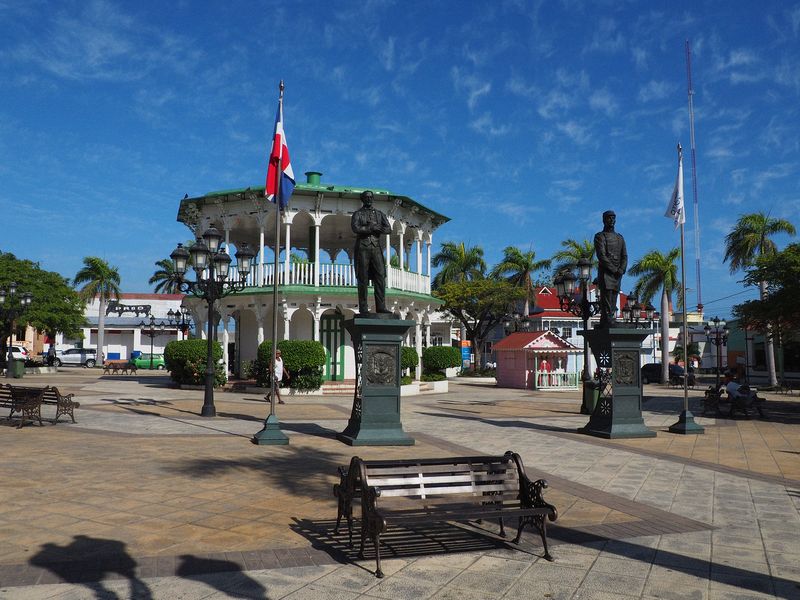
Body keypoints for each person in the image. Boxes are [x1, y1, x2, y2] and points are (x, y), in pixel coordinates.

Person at [351, 190, 392, 315]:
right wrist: (370, 228)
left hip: (376, 247)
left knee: (380, 276)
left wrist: (377, 228)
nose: (369, 199)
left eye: (371, 197)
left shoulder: (379, 214)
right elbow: (355, 228)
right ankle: (363, 308)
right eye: (366, 197)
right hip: (362, 248)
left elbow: (388, 229)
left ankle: (381, 306)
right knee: (362, 278)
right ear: (362, 199)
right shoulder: (358, 214)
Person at [593, 210, 628, 327]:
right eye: (609, 218)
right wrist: (613, 269)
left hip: (618, 274)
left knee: (614, 294)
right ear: (604, 220)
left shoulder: (620, 238)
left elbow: (624, 256)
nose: (611, 220)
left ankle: (611, 316)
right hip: (606, 273)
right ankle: (607, 318)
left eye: (613, 218)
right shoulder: (600, 236)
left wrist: (621, 270)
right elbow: (601, 255)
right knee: (607, 295)